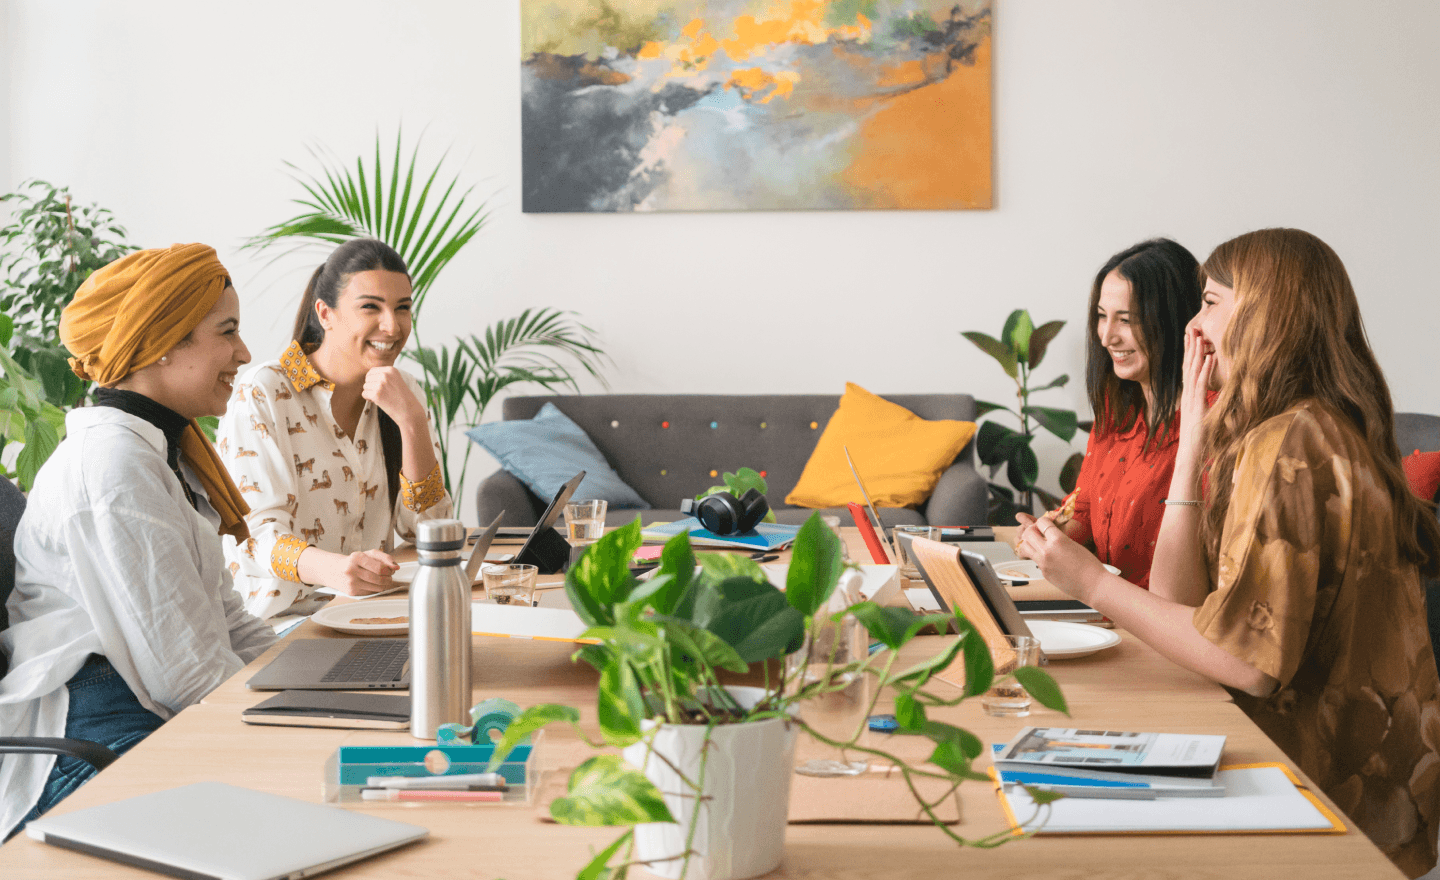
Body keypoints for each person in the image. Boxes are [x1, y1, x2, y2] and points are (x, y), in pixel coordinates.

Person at [1017, 228, 1440, 877]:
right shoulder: (1299, 426)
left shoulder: (1292, 445)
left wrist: (1092, 586)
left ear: (1266, 314)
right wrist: (1191, 438)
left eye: (1209, 302)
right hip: (1344, 789)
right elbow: (1178, 607)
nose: (1194, 324)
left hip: (1321, 796)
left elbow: (1245, 664)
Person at [0, 244, 278, 839]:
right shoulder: (113, 467)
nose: (245, 353)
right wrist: (292, 726)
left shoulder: (156, 456)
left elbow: (229, 622)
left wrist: (312, 682)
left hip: (140, 700)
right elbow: (184, 677)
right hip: (87, 737)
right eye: (227, 332)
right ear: (159, 341)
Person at [218, 238, 452, 620]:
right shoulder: (262, 392)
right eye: (370, 308)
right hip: (283, 625)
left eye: (403, 308)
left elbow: (429, 531)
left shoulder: (403, 391)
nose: (392, 326)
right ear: (325, 314)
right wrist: (335, 571)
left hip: (374, 614)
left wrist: (412, 423)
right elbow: (254, 536)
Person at [1021, 238, 1201, 588]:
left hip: (1162, 620)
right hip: (1102, 606)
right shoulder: (1116, 405)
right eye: (1102, 317)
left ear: (1175, 320)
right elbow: (1086, 508)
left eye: (1126, 320)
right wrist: (1046, 536)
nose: (1106, 337)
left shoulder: (1210, 422)